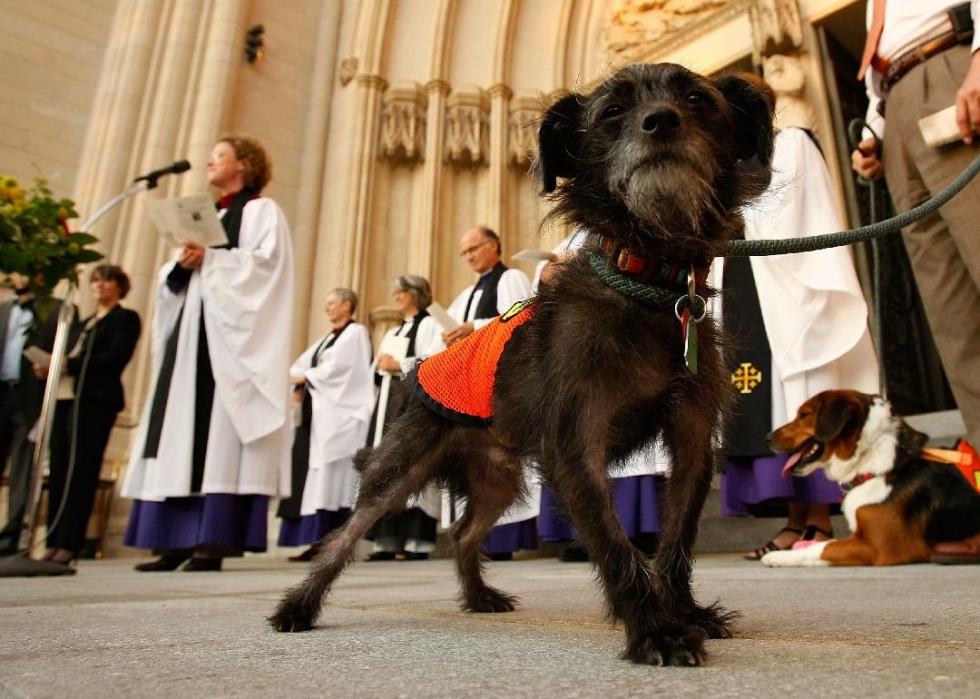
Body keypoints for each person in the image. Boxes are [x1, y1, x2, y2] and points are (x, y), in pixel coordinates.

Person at [721, 76, 879, 560]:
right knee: (763, 401)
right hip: (745, 286)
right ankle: (795, 521)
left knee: (795, 393)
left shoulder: (790, 143)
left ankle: (819, 518)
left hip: (788, 287)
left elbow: (795, 214)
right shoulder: (728, 163)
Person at [123, 134, 294, 572]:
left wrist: (214, 261)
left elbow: (267, 268)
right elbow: (173, 279)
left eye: (219, 156)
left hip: (228, 343)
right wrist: (180, 266)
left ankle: (210, 541)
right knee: (179, 428)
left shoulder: (261, 212)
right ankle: (171, 542)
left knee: (214, 429)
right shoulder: (208, 213)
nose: (209, 163)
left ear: (245, 164)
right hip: (192, 334)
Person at [851, 1, 980, 450]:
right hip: (898, 103)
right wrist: (875, 132)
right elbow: (881, 62)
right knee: (951, 312)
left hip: (952, 65)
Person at [532, 232, 665, 561]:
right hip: (581, 347)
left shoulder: (625, 220)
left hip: (626, 335)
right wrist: (546, 275)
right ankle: (592, 536)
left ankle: (635, 530)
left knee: (625, 435)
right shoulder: (570, 238)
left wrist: (579, 264)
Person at [433, 226, 535, 560]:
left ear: (493, 245)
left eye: (473, 248)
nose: (469, 257)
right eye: (464, 252)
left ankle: (504, 539)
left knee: (499, 455)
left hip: (502, 381)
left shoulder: (511, 279)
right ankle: (474, 536)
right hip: (473, 383)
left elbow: (520, 318)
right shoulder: (465, 294)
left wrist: (473, 328)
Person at [36, 265, 141, 565]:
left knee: (81, 469)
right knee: (59, 467)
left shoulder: (125, 319)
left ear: (120, 286)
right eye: (95, 280)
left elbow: (115, 357)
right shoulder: (83, 323)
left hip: (96, 400)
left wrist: (71, 363)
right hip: (67, 399)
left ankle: (71, 541)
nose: (99, 285)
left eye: (106, 280)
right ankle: (53, 540)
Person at [277, 288, 373, 560]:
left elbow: (339, 370)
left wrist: (305, 378)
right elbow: (300, 366)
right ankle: (315, 542)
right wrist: (301, 379)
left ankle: (334, 544)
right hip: (318, 415)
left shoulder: (356, 333)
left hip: (341, 417)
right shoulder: (326, 339)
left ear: (347, 305)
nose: (326, 308)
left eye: (331, 303)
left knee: (334, 480)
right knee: (314, 480)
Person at [363, 275, 442, 561]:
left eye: (401, 292)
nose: (396, 296)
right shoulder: (394, 330)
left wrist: (398, 364)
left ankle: (416, 542)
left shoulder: (431, 324)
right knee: (386, 468)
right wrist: (383, 366)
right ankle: (386, 541)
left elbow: (434, 361)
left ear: (416, 294)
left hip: (414, 405)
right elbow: (377, 369)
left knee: (415, 465)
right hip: (388, 404)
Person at [0, 273, 65, 554]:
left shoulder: (57, 309)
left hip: (30, 397)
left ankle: (11, 537)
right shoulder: (2, 311)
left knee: (24, 469)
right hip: (2, 392)